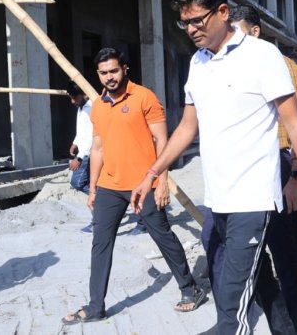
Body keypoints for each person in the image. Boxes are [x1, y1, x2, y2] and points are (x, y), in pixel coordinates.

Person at [131, 0, 297, 335]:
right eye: (184, 22)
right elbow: (186, 128)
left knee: (231, 302)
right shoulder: (198, 62)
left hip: (254, 199)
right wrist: (152, 173)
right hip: (218, 199)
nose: (190, 29)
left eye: (197, 20)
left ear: (222, 12)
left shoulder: (262, 56)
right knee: (260, 280)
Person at [61, 48, 205, 325]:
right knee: (100, 244)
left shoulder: (144, 97)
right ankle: (96, 306)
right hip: (109, 186)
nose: (109, 77)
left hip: (143, 184)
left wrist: (161, 182)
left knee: (162, 236)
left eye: (114, 71)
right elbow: (98, 148)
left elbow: (162, 141)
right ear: (98, 75)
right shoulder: (98, 106)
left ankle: (190, 288)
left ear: (125, 69)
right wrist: (93, 188)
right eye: (104, 73)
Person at [197, 3, 297, 335]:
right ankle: (240, 320)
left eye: (234, 32)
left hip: (276, 169)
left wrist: (296, 177)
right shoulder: (215, 64)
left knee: (284, 254)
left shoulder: (280, 64)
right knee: (223, 247)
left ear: (254, 31)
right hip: (236, 177)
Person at [66, 80, 94, 233]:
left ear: (83, 93)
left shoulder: (91, 108)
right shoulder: (81, 107)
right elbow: (82, 131)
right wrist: (75, 143)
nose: (72, 101)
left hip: (88, 154)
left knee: (77, 182)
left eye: (74, 97)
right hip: (83, 152)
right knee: (90, 185)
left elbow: (92, 136)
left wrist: (79, 158)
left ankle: (101, 201)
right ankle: (97, 218)